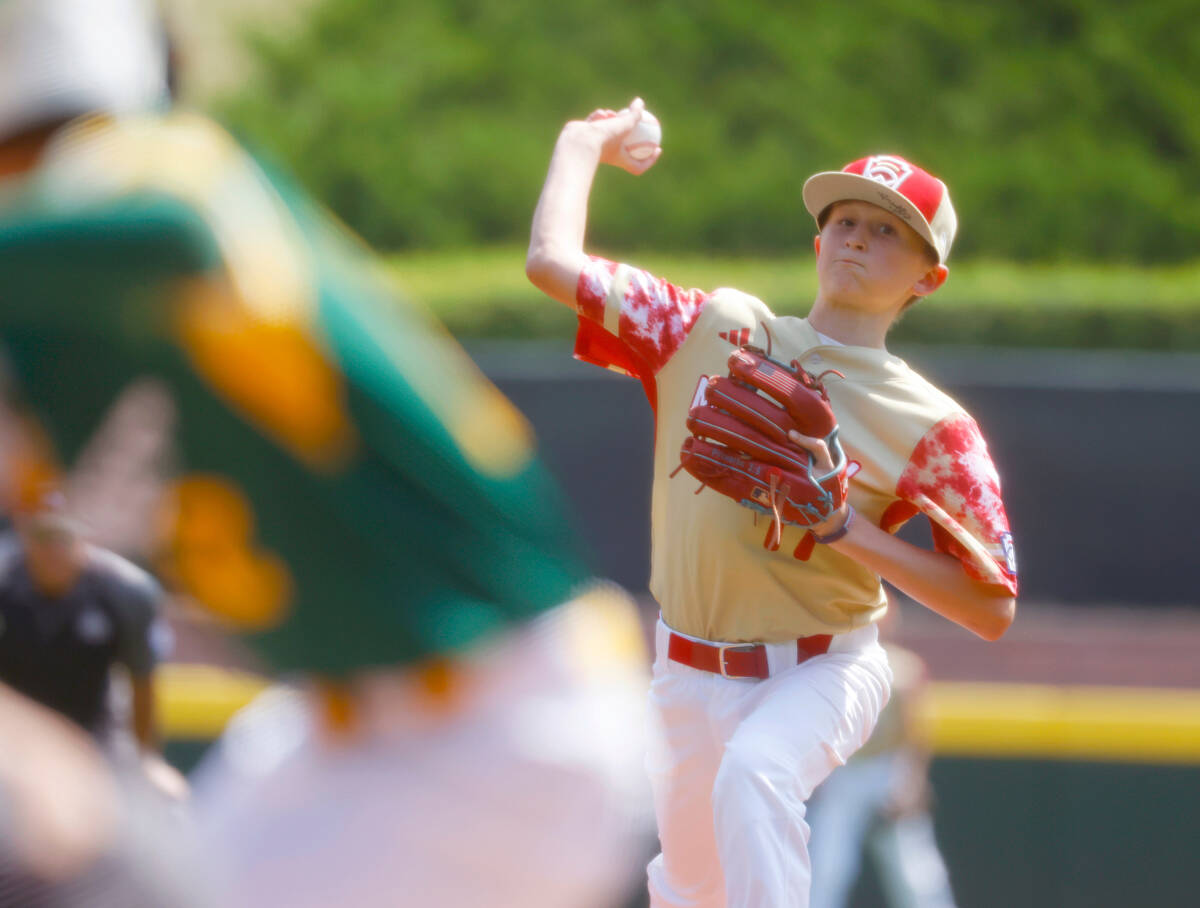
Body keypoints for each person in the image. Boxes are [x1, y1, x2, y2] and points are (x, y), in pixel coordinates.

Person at [0, 3, 651, 906]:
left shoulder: (146, 164)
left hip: (499, 721)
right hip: (343, 729)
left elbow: (173, 236)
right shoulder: (48, 307)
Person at [525, 98, 1019, 907]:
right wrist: (580, 143)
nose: (858, 235)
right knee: (686, 889)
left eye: (889, 228)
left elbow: (991, 607)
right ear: (816, 239)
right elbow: (551, 264)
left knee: (756, 776)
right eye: (845, 219)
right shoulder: (714, 328)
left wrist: (844, 529)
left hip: (824, 665)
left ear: (929, 279)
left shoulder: (936, 427)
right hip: (682, 671)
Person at [0, 486, 182, 796]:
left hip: (84, 738)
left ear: (82, 540)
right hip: (11, 725)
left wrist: (148, 760)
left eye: (64, 537)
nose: (53, 548)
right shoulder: (6, 576)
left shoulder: (125, 594)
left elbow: (142, 682)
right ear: (28, 537)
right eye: (44, 536)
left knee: (159, 799)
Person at [807, 638, 958, 908]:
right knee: (828, 867)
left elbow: (916, 732)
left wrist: (912, 782)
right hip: (844, 768)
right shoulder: (832, 661)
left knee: (916, 872)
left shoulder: (904, 666)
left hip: (887, 769)